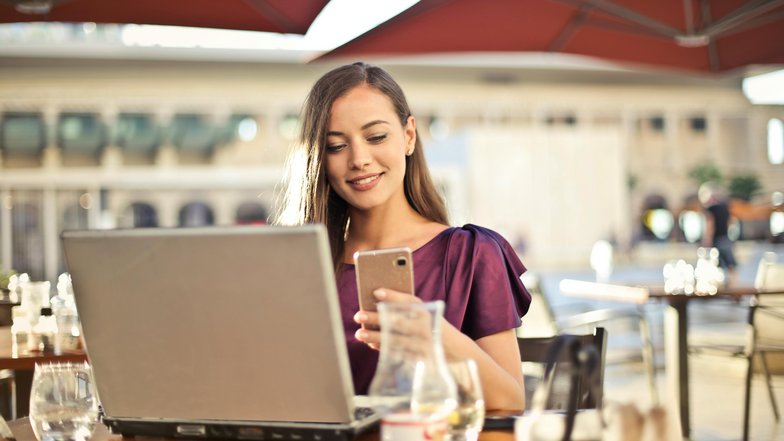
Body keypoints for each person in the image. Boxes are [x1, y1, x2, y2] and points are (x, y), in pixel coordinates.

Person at [275, 62, 531, 411]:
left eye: (376, 137)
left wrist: (435, 338)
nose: (359, 159)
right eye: (336, 146)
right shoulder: (299, 266)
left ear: (408, 136)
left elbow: (511, 401)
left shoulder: (470, 253)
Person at [699, 181, 737, 281]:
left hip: (716, 239)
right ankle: (734, 283)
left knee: (713, 262)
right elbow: (730, 222)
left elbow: (710, 224)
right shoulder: (725, 208)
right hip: (725, 237)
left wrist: (707, 239)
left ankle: (716, 284)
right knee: (730, 263)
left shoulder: (710, 209)